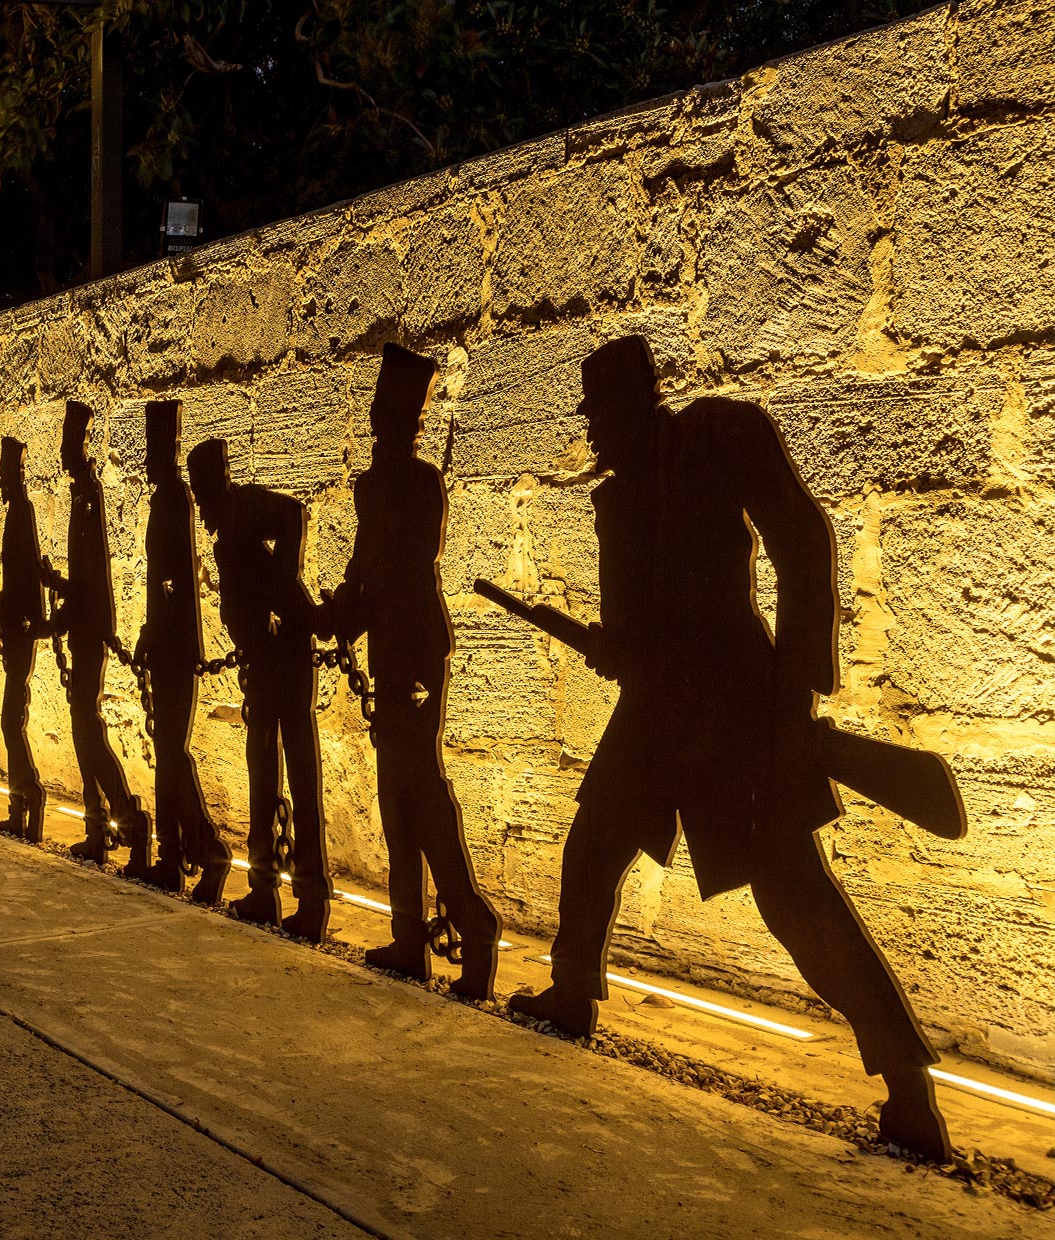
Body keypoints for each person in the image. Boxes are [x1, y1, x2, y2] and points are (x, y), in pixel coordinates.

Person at [508, 335, 951, 1161]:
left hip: (734, 709)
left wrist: (793, 697)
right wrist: (617, 647)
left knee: (792, 899)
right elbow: (643, 624)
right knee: (592, 841)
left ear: (640, 402)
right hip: (655, 709)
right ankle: (572, 991)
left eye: (603, 417)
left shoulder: (718, 435)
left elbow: (802, 539)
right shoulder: (620, 496)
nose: (596, 437)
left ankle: (907, 1086)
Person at [315, 345, 501, 998]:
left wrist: (345, 612)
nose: (379, 421)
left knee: (418, 798)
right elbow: (369, 570)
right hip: (399, 648)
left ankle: (472, 924)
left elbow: (390, 569)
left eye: (388, 411)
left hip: (412, 653)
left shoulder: (410, 484)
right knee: (401, 805)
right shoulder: (386, 484)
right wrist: (342, 612)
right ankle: (408, 936)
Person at [187, 437, 330, 944]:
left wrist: (281, 594)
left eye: (202, 491)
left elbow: (293, 513)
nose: (201, 504)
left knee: (296, 769)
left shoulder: (243, 507)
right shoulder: (228, 524)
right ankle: (265, 887)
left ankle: (309, 897)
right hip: (266, 659)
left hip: (283, 657)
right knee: (263, 767)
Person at [43, 401, 151, 865]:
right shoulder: (79, 495)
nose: (63, 454)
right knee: (82, 728)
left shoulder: (90, 494)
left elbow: (93, 579)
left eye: (67, 444)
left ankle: (128, 818)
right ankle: (97, 825)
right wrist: (58, 586)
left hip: (88, 632)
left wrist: (63, 608)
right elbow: (84, 580)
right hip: (83, 627)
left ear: (78, 445)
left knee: (88, 731)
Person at [133, 400, 230, 902]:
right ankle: (171, 856)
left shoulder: (174, 498)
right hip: (165, 643)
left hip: (174, 648)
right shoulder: (163, 500)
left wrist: (158, 631)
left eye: (153, 449)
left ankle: (205, 849)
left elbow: (174, 580)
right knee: (167, 755)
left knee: (171, 753)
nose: (147, 459)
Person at [0, 436, 48, 842]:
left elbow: (29, 571)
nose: (1, 481)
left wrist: (30, 622)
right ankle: (19, 803)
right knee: (10, 719)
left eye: (6, 473)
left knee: (11, 720)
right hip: (14, 626)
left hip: (20, 628)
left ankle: (28, 794)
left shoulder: (22, 512)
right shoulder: (15, 512)